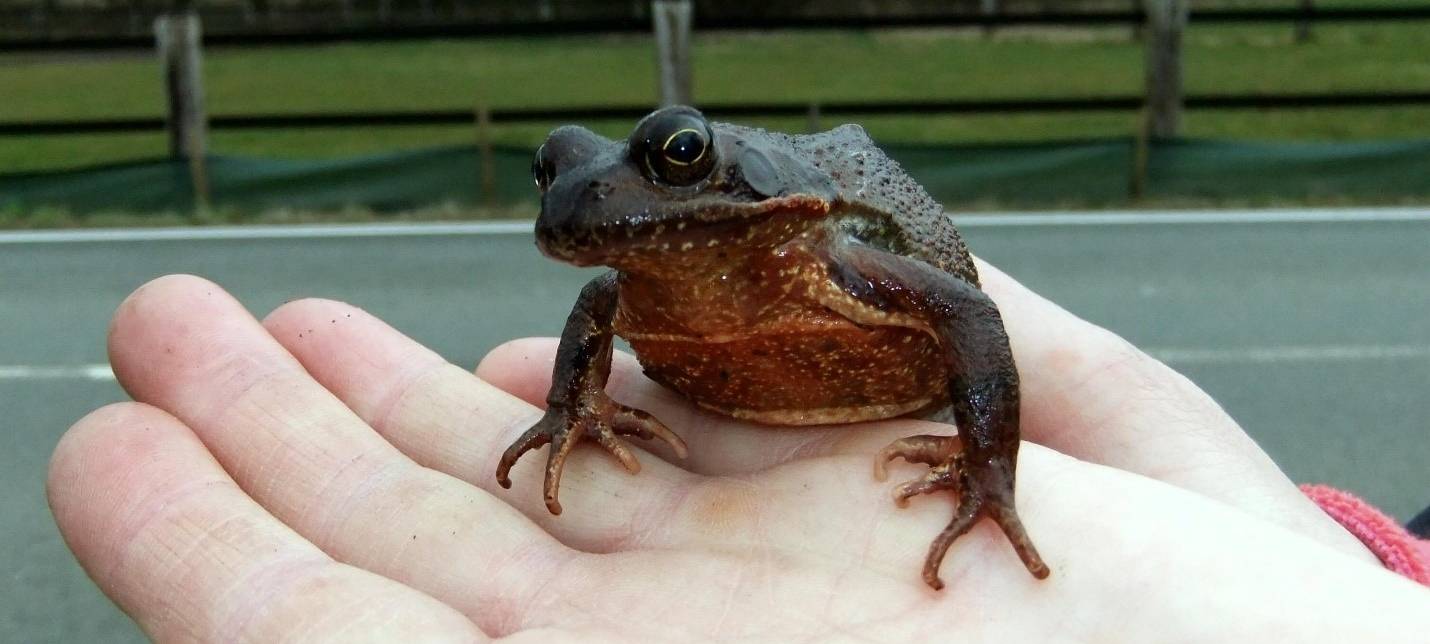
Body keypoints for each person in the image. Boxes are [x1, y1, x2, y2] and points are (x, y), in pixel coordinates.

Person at [49, 265, 1429, 642]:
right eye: (567, 178)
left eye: (674, 163)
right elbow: (600, 298)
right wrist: (577, 404)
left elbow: (961, 309)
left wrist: (988, 471)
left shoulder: (813, 234)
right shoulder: (627, 273)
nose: (592, 205)